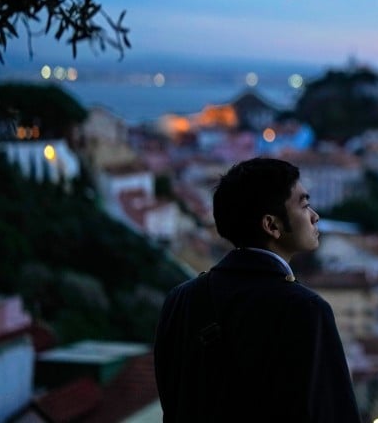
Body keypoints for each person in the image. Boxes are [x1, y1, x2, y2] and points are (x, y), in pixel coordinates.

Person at [154, 157, 362, 422]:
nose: (315, 216)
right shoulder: (305, 308)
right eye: (305, 205)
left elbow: (172, 403)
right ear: (271, 225)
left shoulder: (179, 300)